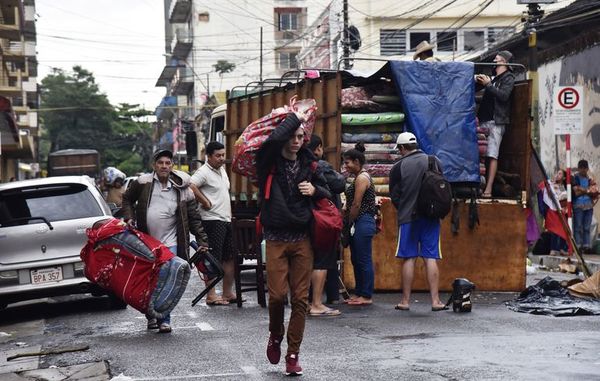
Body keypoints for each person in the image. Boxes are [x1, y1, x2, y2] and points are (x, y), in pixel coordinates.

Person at [256, 100, 331, 376]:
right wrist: (295, 116)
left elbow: (331, 189)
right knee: (276, 297)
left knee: (300, 300)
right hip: (275, 237)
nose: (298, 141)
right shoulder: (267, 162)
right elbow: (273, 139)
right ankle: (275, 334)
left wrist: (315, 190)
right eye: (294, 136)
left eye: (302, 137)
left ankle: (292, 353)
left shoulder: (310, 164)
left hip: (302, 238)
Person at [121, 149, 209, 333]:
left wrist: (202, 240)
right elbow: (127, 199)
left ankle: (164, 319)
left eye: (167, 163)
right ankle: (151, 314)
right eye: (160, 163)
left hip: (172, 242)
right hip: (146, 241)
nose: (164, 166)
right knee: (150, 280)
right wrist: (129, 217)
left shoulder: (182, 187)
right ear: (154, 165)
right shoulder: (143, 183)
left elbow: (193, 217)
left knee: (168, 278)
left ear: (172, 166)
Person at [389, 132, 447, 312]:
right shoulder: (434, 161)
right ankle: (436, 301)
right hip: (431, 217)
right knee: (430, 257)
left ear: (402, 148)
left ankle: (405, 301)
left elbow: (395, 196)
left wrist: (404, 206)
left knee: (409, 258)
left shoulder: (398, 167)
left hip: (408, 218)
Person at [190, 141, 236, 306]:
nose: (221, 158)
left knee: (229, 257)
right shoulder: (203, 172)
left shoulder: (222, 170)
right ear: (208, 156)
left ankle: (227, 293)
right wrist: (205, 201)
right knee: (213, 258)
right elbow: (191, 185)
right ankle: (211, 295)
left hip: (225, 219)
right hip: (211, 220)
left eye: (223, 155)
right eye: (218, 156)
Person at [306, 134, 345, 316]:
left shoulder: (295, 164)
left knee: (307, 260)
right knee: (322, 261)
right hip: (321, 219)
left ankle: (307, 302)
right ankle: (316, 304)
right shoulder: (319, 165)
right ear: (319, 148)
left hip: (304, 218)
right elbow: (338, 185)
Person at [475, 50, 515, 198]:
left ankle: (488, 189)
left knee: (492, 154)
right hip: (484, 120)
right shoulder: (494, 78)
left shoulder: (509, 77)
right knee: (480, 153)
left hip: (496, 121)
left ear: (504, 62)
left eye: (497, 60)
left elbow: (504, 96)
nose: (494, 62)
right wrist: (481, 83)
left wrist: (488, 85)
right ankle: (479, 184)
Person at [342, 142, 377, 306]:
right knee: (356, 258)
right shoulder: (357, 177)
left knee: (363, 258)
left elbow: (356, 204)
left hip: (362, 220)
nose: (345, 166)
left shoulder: (362, 178)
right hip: (359, 221)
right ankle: (359, 292)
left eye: (347, 162)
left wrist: (350, 221)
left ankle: (366, 294)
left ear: (356, 161)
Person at [572, 160, 598, 253]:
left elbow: (594, 190)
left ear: (587, 169)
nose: (583, 170)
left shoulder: (589, 179)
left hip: (589, 205)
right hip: (578, 205)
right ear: (579, 168)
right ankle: (578, 245)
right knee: (578, 226)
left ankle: (586, 245)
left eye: (585, 168)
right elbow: (576, 192)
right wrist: (587, 190)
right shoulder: (575, 178)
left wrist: (583, 189)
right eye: (581, 168)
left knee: (587, 226)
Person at [548, 169, 568, 256]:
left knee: (564, 229)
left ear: (563, 177)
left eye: (560, 174)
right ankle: (553, 248)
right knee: (554, 230)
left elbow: (564, 198)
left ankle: (562, 248)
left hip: (562, 210)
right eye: (557, 173)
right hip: (554, 210)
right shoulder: (551, 185)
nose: (557, 175)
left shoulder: (563, 187)